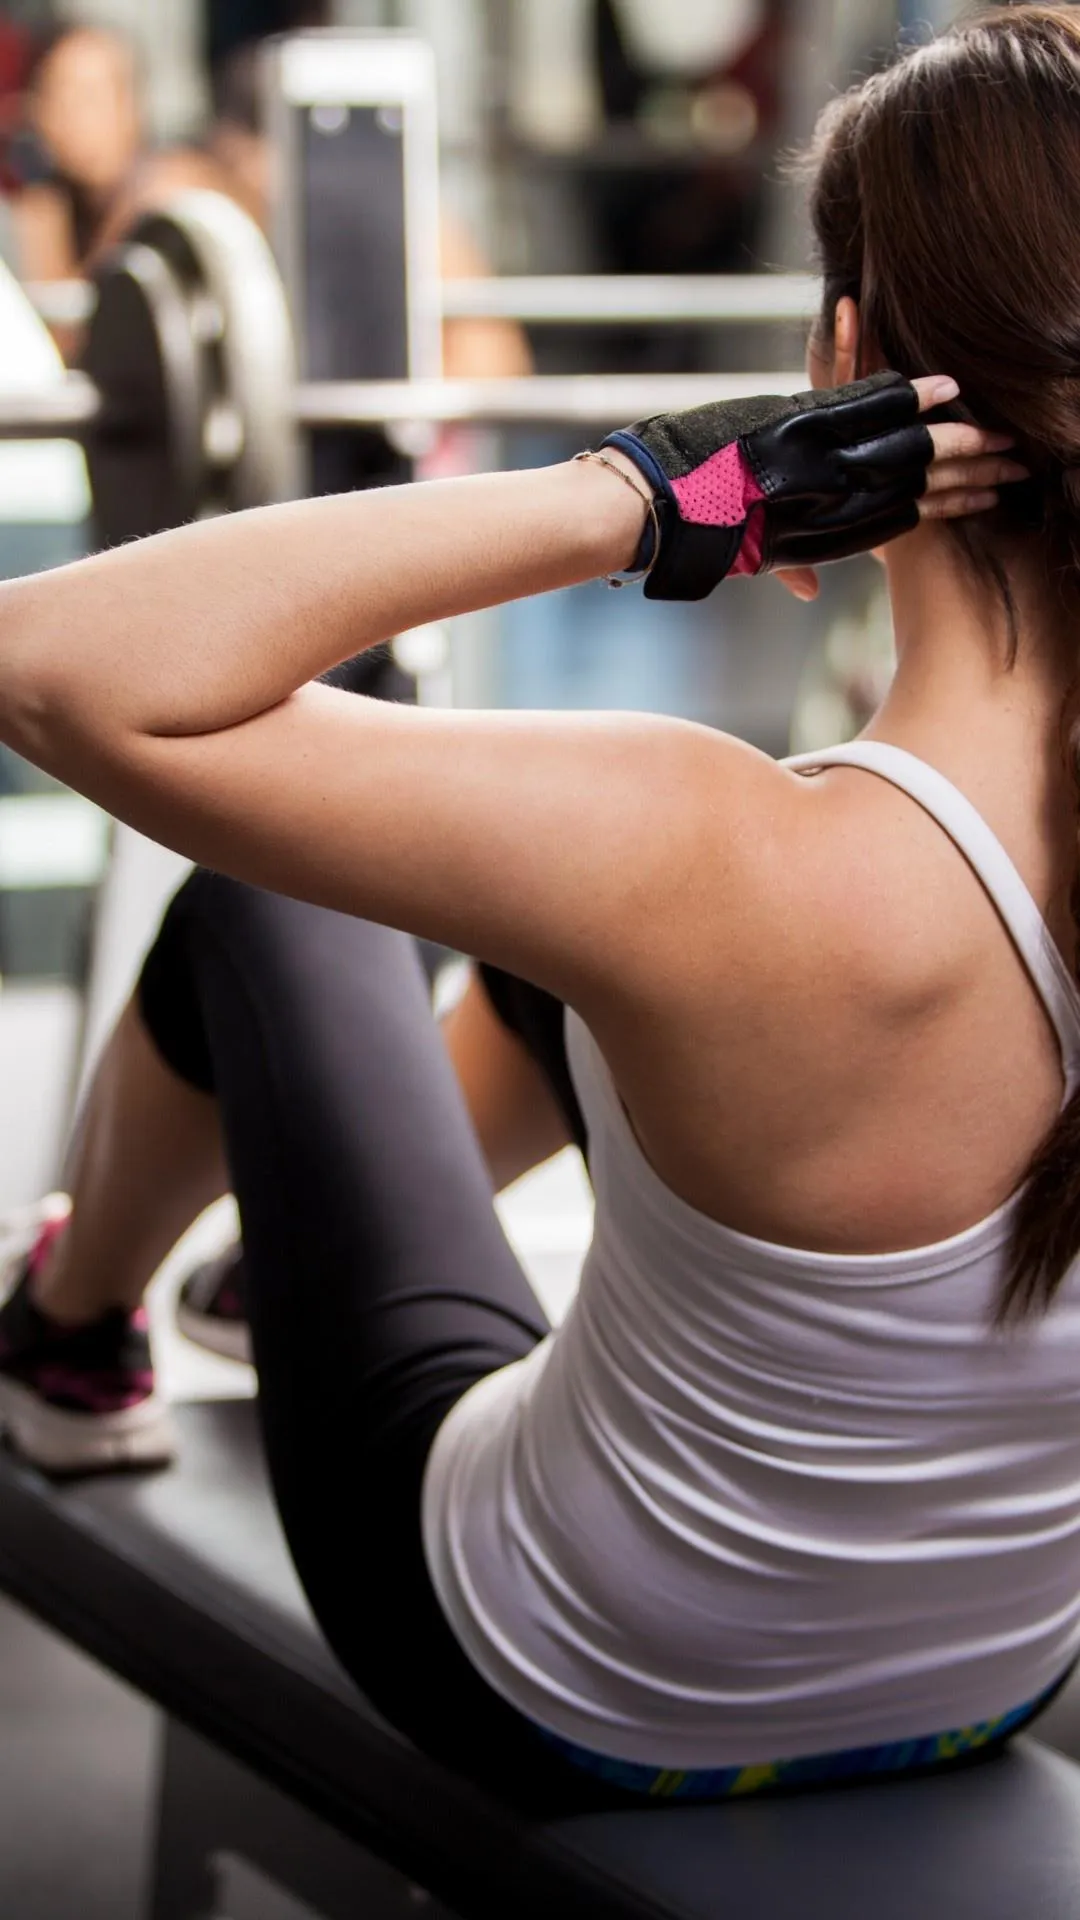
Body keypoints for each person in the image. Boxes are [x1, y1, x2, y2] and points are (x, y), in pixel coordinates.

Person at [0, 0, 1074, 1815]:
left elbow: (57, 668)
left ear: (849, 371)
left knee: (284, 907)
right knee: (554, 942)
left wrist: (647, 493)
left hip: (574, 1687)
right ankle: (296, 1260)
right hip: (984, 1680)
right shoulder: (708, 880)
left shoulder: (716, 852)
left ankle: (68, 1334)